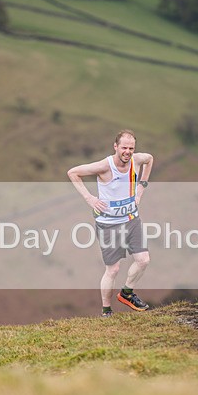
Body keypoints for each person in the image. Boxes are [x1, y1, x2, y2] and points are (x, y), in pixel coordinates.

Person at [67, 129, 154, 317]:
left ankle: (127, 293)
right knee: (113, 270)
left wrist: (141, 187)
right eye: (124, 148)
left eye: (131, 148)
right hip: (108, 224)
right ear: (115, 146)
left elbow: (150, 159)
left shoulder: (137, 160)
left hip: (131, 219)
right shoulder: (104, 166)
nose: (127, 152)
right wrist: (89, 198)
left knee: (143, 260)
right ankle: (106, 311)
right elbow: (73, 173)